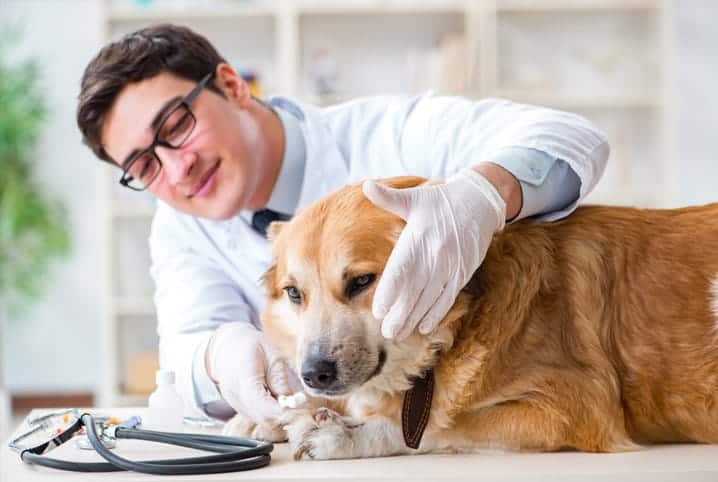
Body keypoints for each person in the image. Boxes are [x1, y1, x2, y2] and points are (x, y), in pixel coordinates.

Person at [76, 24, 609, 432]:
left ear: (233, 86)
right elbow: (183, 355)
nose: (176, 169)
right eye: (144, 166)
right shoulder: (180, 227)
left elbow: (571, 138)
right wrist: (220, 356)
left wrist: (483, 196)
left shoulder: (387, 134)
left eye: (176, 126)